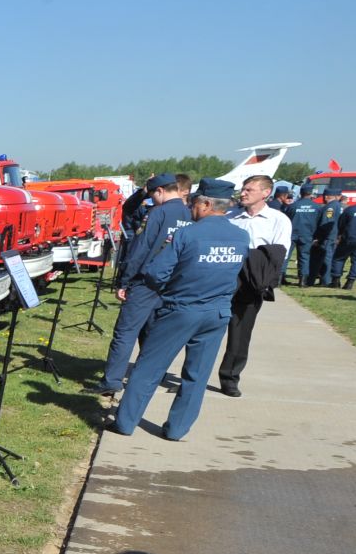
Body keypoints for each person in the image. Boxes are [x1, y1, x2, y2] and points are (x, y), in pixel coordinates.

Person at [112, 181, 250, 440]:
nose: (191, 208)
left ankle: (125, 422)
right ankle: (177, 429)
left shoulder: (189, 234)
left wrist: (170, 287)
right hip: (217, 312)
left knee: (148, 368)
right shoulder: (241, 236)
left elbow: (156, 272)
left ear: (207, 204)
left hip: (181, 309)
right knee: (197, 375)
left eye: (195, 203)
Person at [95, 173, 188, 396]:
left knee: (125, 333)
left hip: (144, 282)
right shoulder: (190, 213)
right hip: (171, 283)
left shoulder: (158, 213)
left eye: (153, 195)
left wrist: (124, 281)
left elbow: (140, 249)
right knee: (153, 334)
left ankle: (112, 381)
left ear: (159, 191)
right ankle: (151, 376)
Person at [216, 174, 291, 397]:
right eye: (244, 188)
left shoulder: (278, 220)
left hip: (251, 283)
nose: (243, 192)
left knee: (240, 332)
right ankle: (193, 374)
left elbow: (278, 255)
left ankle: (229, 377)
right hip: (224, 278)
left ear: (265, 193)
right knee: (208, 328)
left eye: (249, 189)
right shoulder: (230, 216)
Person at [287, 184, 326, 285]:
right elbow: (319, 223)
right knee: (304, 257)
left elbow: (287, 220)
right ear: (311, 193)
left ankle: (279, 278)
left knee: (286, 256)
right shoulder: (317, 207)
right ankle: (302, 280)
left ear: (301, 193)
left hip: (291, 234)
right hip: (307, 234)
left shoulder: (292, 206)